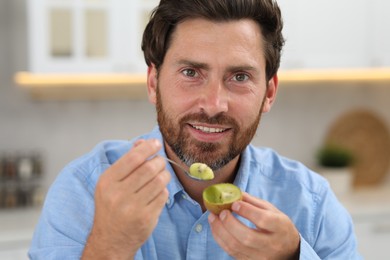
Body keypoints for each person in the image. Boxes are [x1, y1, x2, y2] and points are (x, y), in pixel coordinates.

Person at [29, 0, 362, 259]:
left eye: (240, 77)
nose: (214, 104)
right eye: (190, 72)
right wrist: (110, 246)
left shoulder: (312, 203)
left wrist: (293, 258)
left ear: (269, 93)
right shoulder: (84, 191)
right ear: (153, 81)